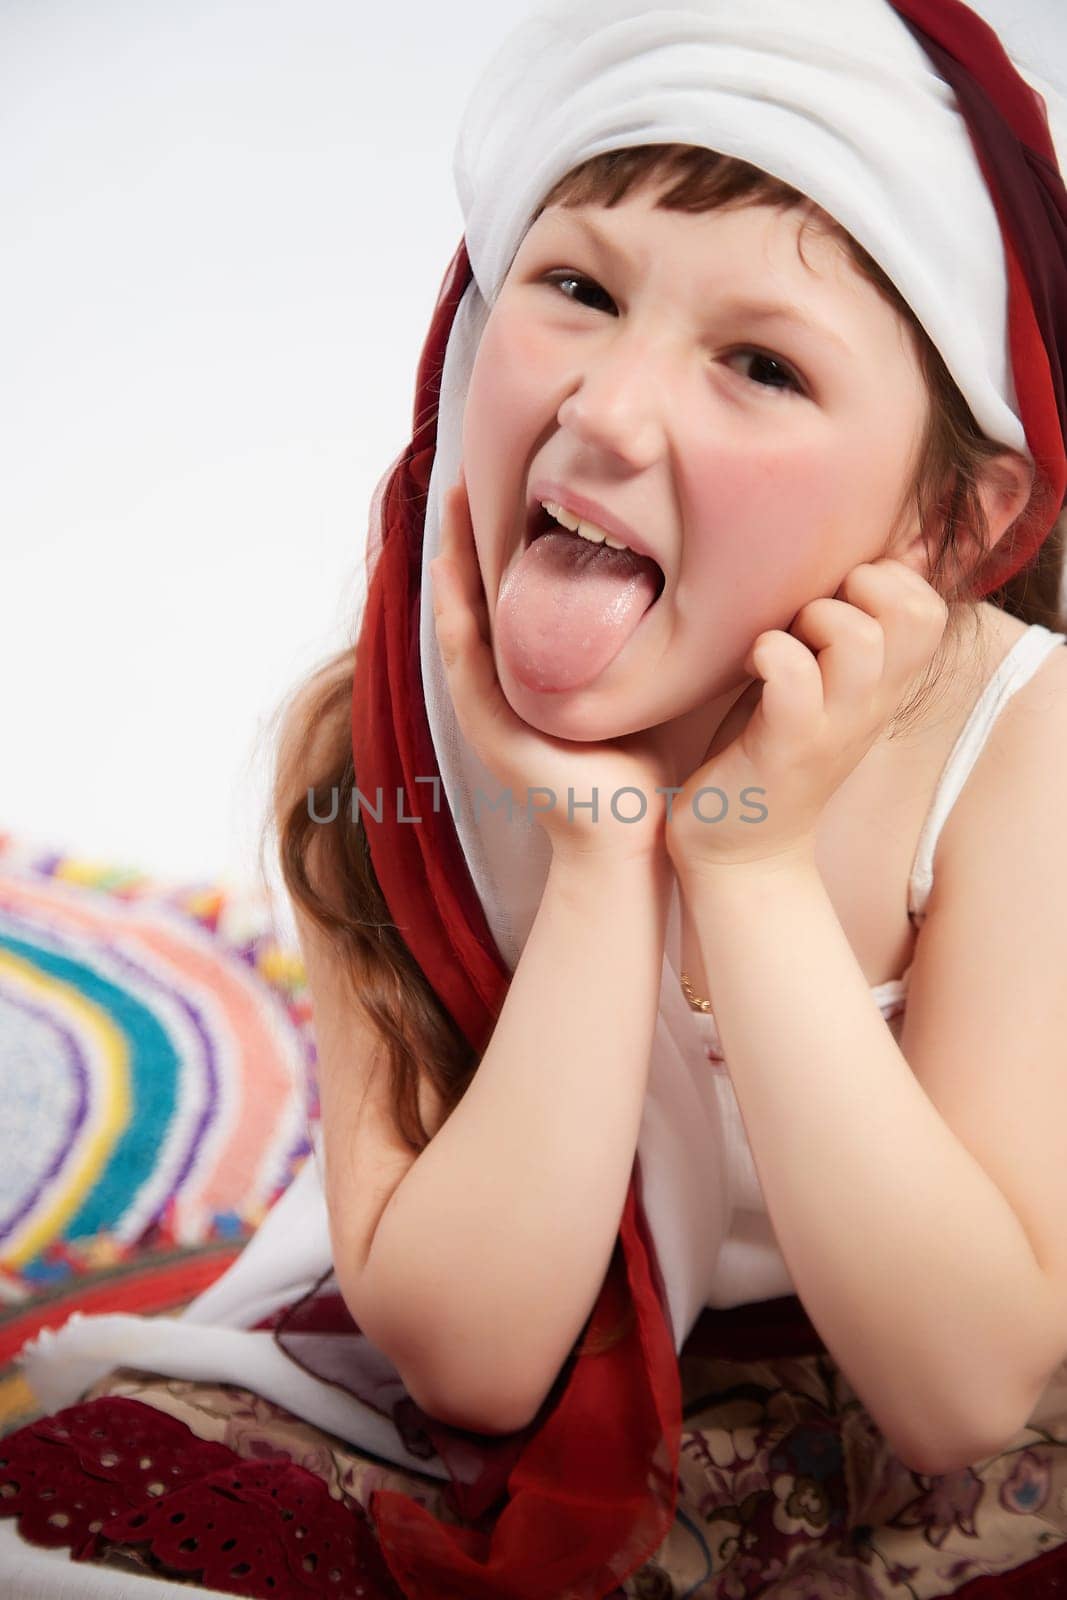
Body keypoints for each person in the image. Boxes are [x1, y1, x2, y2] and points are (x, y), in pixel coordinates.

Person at [3, 0, 1067, 1595]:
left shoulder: (1019, 748)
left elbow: (961, 1392)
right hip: (542, 1405)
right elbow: (477, 1365)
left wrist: (754, 865)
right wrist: (598, 857)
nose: (609, 413)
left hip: (906, 1409)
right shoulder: (374, 754)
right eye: (575, 288)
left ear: (950, 524)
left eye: (762, 364)